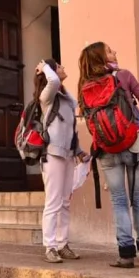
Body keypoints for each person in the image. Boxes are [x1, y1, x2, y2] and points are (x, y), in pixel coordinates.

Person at [77, 42, 139, 268]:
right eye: (110, 51)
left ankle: (126, 254)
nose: (115, 52)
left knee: (119, 201)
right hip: (135, 143)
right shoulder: (124, 76)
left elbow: (87, 119)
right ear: (102, 58)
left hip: (106, 150)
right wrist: (138, 118)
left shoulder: (84, 86)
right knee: (138, 198)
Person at [34, 58, 88, 264]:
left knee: (65, 202)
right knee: (53, 202)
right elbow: (54, 81)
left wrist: (79, 151)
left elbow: (72, 125)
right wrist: (45, 67)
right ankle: (50, 246)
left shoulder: (65, 98)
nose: (63, 67)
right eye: (59, 65)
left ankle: (63, 244)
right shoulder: (47, 96)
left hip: (68, 154)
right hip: (52, 155)